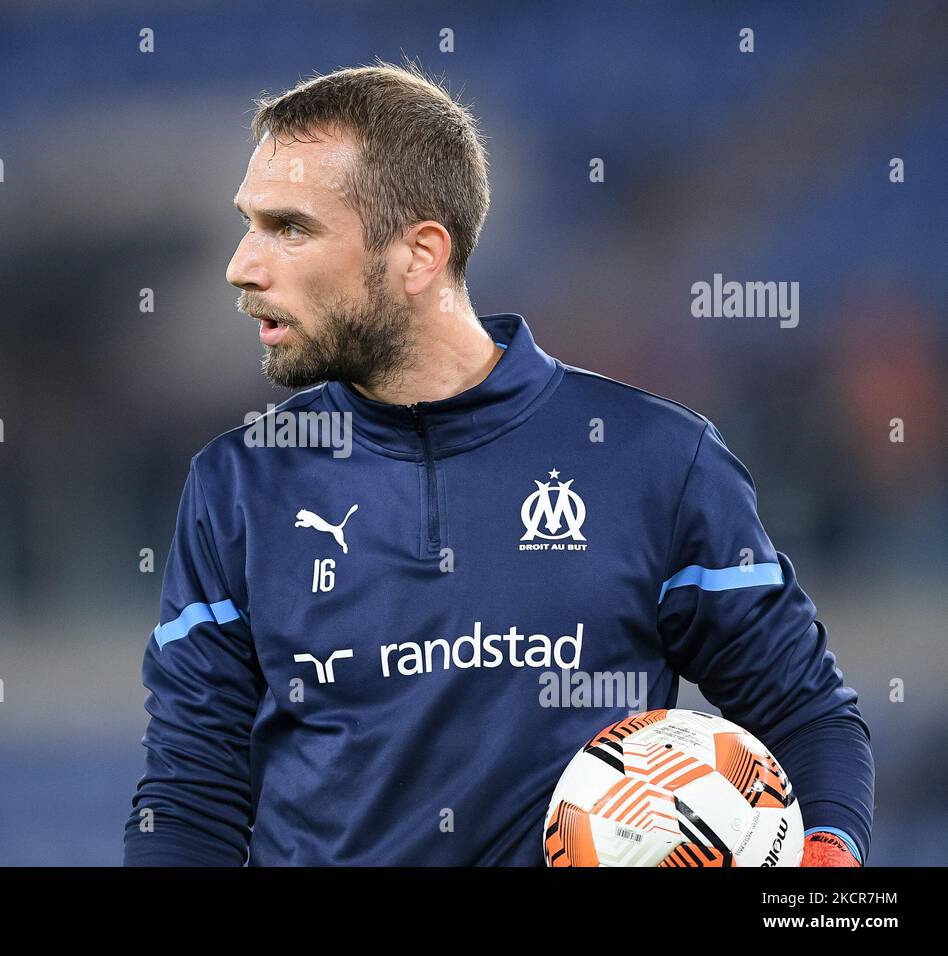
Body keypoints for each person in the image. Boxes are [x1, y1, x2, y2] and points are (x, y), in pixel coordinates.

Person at [123, 59, 873, 866]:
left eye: (290, 228)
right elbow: (190, 793)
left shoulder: (656, 461)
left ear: (419, 255)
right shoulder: (238, 485)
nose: (242, 265)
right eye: (249, 222)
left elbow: (804, 714)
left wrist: (826, 866)